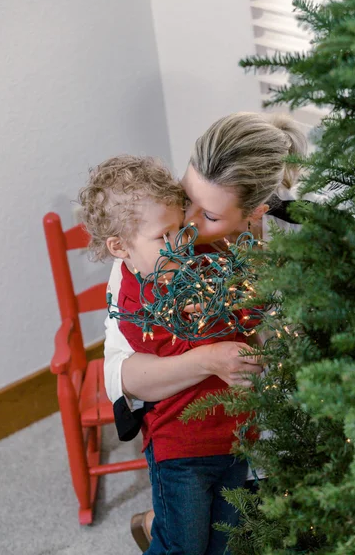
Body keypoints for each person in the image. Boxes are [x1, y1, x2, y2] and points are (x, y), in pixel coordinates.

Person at [104, 111, 308, 553]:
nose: (188, 225)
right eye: (186, 195)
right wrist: (209, 356)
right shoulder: (154, 254)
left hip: (261, 428)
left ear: (257, 211)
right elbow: (122, 375)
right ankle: (165, 523)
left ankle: (163, 523)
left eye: (210, 214)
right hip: (196, 436)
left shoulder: (292, 241)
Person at [79, 154, 264, 555]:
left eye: (181, 229)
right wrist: (218, 321)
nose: (180, 245)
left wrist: (244, 302)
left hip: (235, 435)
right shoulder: (135, 299)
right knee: (182, 545)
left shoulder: (199, 262)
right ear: (120, 246)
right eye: (164, 237)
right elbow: (182, 350)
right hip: (182, 450)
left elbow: (247, 314)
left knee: (225, 542)